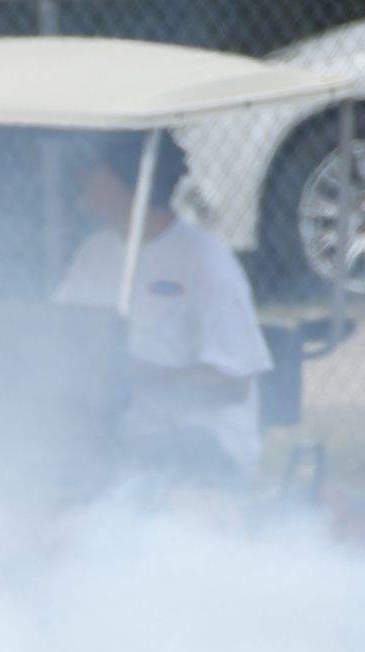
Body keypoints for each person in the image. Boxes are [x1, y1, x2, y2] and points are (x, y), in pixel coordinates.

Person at [55, 134, 274, 487]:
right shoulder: (94, 253)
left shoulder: (205, 261)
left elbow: (233, 384)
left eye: (94, 167)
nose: (82, 175)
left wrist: (137, 374)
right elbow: (59, 332)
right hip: (122, 442)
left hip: (203, 447)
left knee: (114, 471)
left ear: (130, 177)